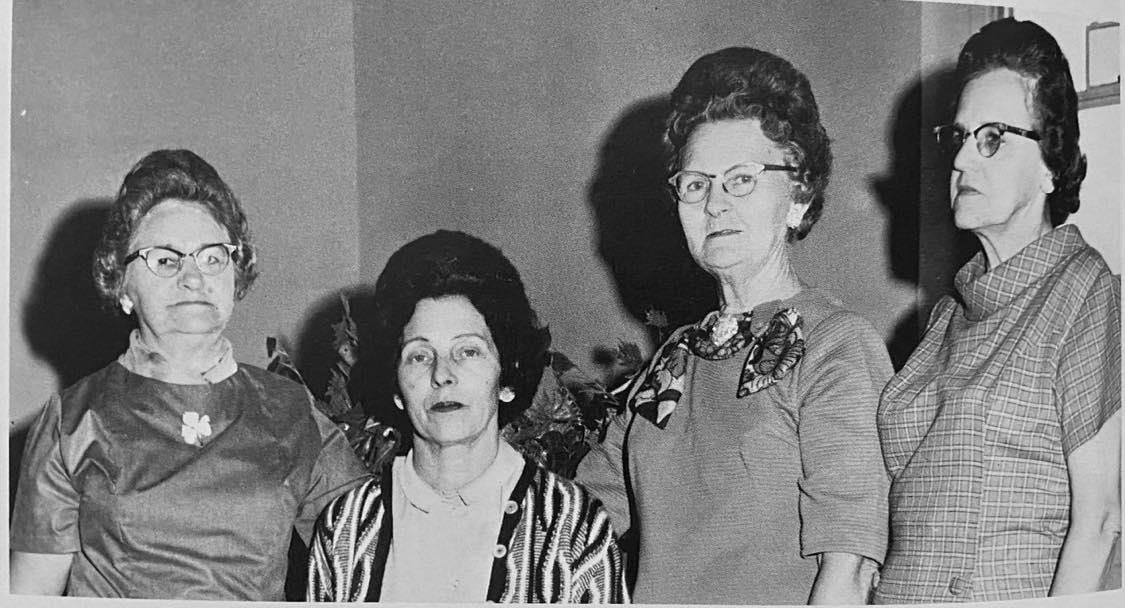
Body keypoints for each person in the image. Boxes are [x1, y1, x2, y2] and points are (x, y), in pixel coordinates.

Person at [576, 47, 891, 604]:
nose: (715, 204)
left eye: (741, 179)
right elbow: (579, 517)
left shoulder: (834, 344)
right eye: (696, 184)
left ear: (799, 192)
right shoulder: (678, 356)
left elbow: (851, 568)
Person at [9, 149, 369, 599]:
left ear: (236, 276)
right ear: (121, 286)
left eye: (212, 258)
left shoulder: (290, 410)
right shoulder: (72, 421)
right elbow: (31, 596)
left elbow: (370, 546)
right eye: (165, 260)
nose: (194, 278)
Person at [876, 18, 1121, 603]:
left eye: (992, 138)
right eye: (959, 137)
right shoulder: (946, 317)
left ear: (1051, 164)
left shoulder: (1083, 289)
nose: (962, 159)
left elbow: (1101, 520)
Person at [306, 230, 628, 603]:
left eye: (468, 351)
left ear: (507, 376)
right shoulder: (346, 527)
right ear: (396, 387)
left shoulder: (574, 527)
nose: (442, 374)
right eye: (419, 355)